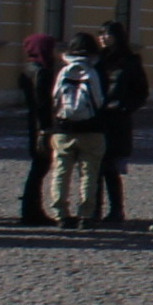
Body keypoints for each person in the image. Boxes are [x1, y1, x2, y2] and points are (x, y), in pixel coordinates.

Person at [46, 32, 109, 227]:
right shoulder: (96, 71)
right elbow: (100, 100)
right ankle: (86, 214)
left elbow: (55, 98)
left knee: (61, 172)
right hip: (92, 128)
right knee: (89, 173)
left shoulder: (63, 70)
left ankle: (61, 213)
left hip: (64, 128)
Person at [94, 19, 148, 225]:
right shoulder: (96, 60)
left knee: (110, 167)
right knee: (94, 167)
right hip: (97, 118)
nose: (103, 38)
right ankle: (94, 209)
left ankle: (116, 210)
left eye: (108, 33)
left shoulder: (131, 61)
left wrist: (125, 107)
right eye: (101, 34)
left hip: (117, 120)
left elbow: (141, 91)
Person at [16, 33, 58, 225]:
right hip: (41, 125)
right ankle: (31, 210)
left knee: (38, 168)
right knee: (39, 168)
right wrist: (46, 129)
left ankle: (30, 208)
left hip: (32, 122)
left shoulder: (27, 69)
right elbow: (43, 104)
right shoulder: (41, 72)